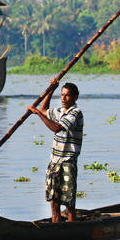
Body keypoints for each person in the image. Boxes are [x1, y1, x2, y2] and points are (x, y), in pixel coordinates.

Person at [29, 80, 84, 222]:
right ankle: (56, 227)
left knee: (68, 203)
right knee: (54, 202)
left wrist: (36, 113)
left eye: (67, 96)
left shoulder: (76, 113)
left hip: (67, 162)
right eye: (62, 95)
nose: (63, 99)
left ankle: (71, 230)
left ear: (75, 97)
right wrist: (51, 89)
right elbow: (43, 110)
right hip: (54, 162)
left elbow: (56, 128)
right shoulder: (59, 111)